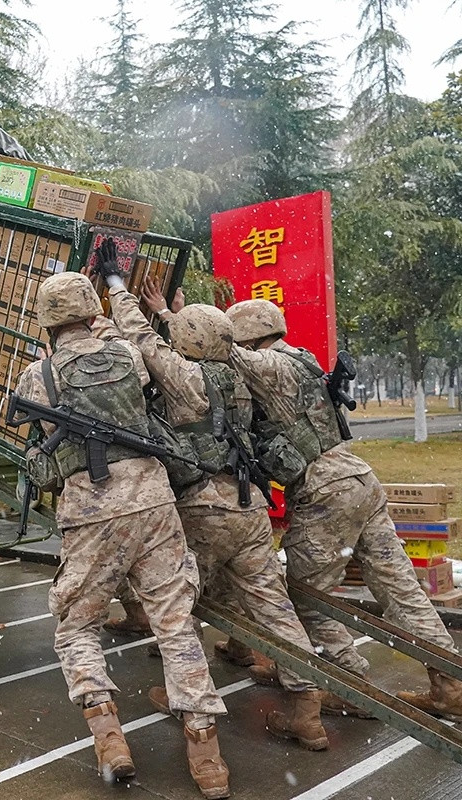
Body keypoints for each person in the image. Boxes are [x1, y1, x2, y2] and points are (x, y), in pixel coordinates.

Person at [90, 258, 328, 751]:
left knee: (178, 608)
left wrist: (117, 285)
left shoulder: (183, 376)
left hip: (200, 506)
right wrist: (179, 315)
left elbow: (141, 336)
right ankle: (308, 710)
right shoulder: (241, 376)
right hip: (249, 508)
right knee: (273, 605)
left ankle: (189, 703)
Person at [13, 271, 230, 797]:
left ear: (46, 321)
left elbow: (30, 435)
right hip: (153, 498)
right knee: (175, 622)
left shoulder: (36, 376)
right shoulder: (128, 356)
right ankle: (206, 753)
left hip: (92, 508)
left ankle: (108, 733)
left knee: (77, 624)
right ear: (93, 312)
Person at [224, 299, 462, 725]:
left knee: (305, 597)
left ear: (249, 336)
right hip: (359, 480)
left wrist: (167, 315)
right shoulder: (301, 360)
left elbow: (215, 347)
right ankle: (449, 689)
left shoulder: (269, 364)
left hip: (325, 491)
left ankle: (351, 687)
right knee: (401, 590)